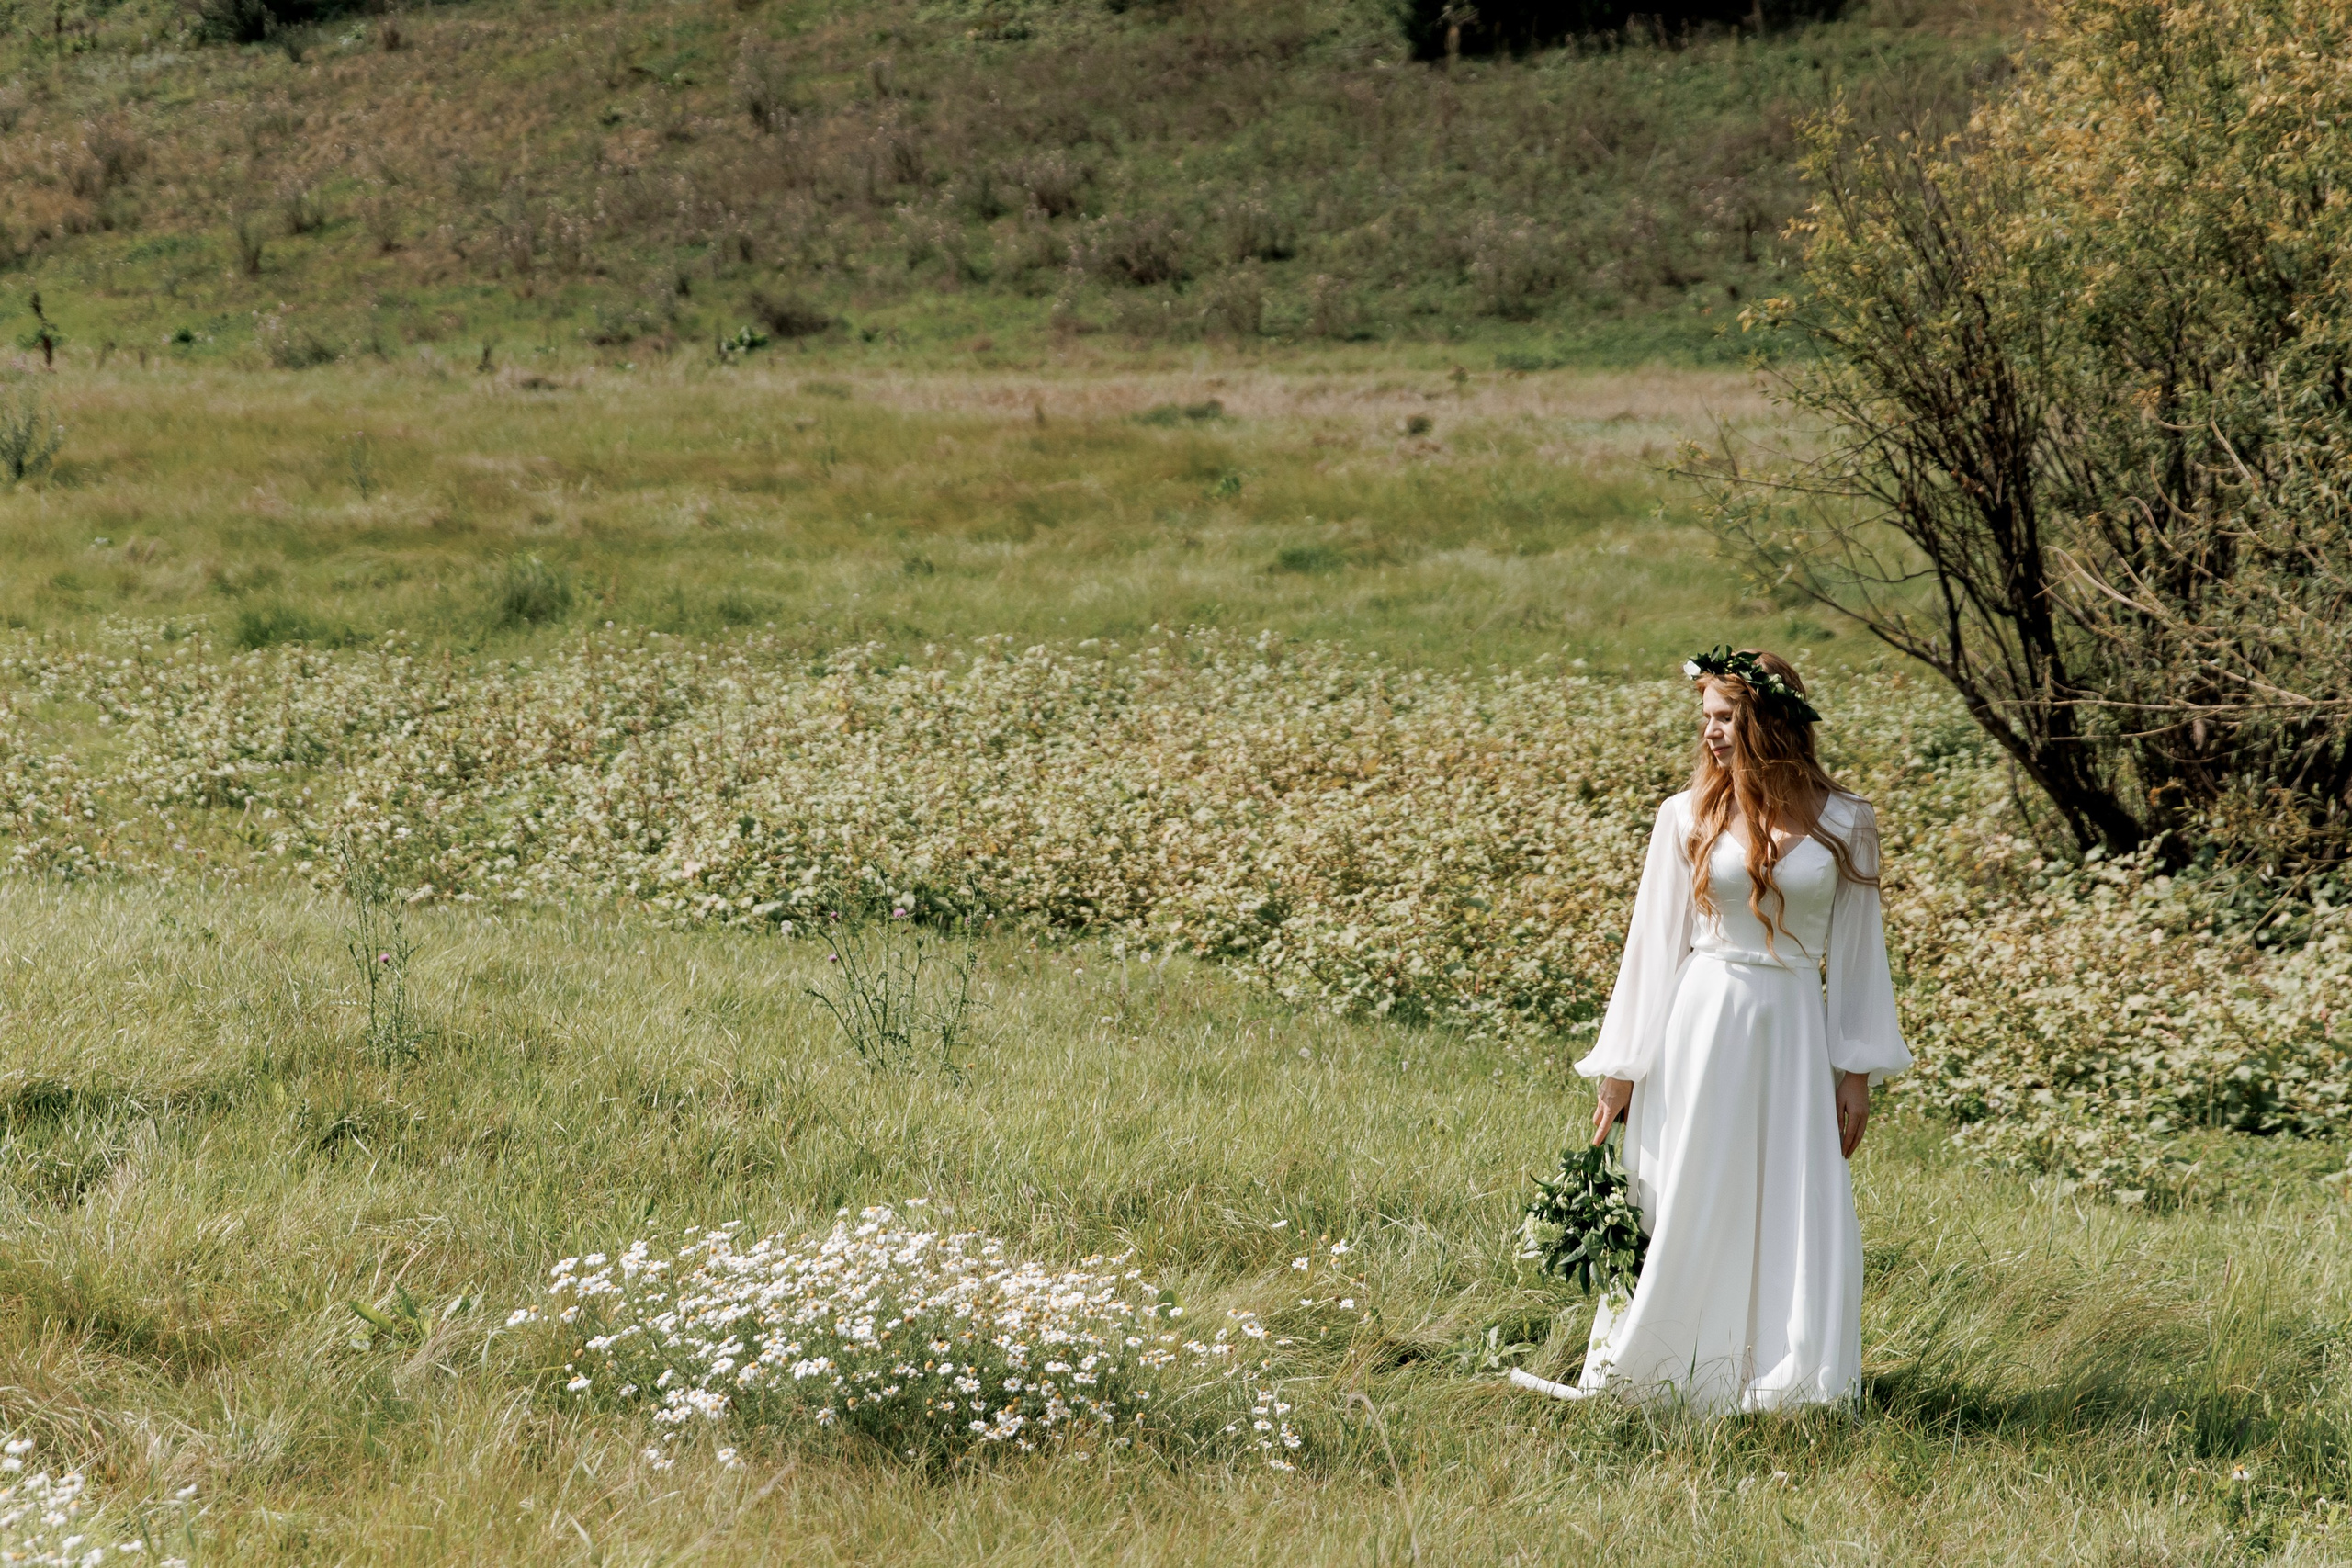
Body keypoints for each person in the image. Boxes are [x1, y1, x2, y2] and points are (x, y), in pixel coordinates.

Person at [1524, 649, 1909, 1412]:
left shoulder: (1847, 821)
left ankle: (1786, 1375)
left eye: (1725, 718)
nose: (1711, 734)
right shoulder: (1686, 815)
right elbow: (1653, 943)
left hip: (1794, 1030)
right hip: (1699, 1026)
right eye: (1705, 719)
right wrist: (1623, 1064)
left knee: (1793, 1196)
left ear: (1769, 721)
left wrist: (1856, 1068)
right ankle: (1663, 1371)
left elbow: (1862, 952)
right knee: (1689, 1190)